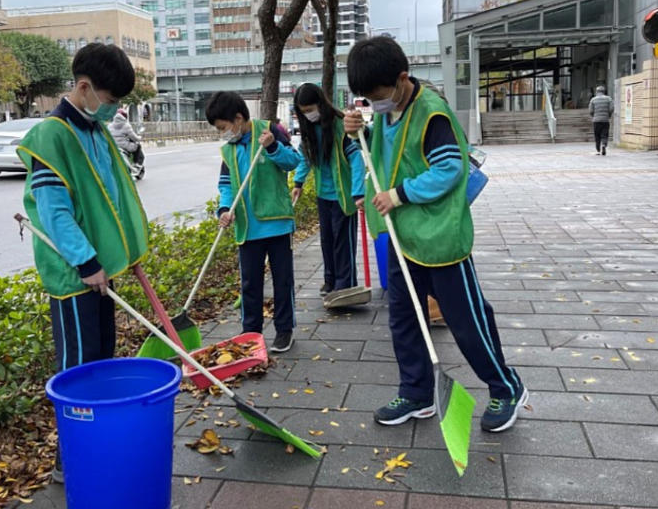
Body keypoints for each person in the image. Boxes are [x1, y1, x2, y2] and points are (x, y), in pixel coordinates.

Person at [342, 36, 526, 432]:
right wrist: (356, 133)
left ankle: (505, 387)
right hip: (403, 236)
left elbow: (449, 170)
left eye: (378, 95)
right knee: (404, 319)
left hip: (440, 238)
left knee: (467, 322)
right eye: (367, 99)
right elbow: (382, 158)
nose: (375, 103)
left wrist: (398, 195)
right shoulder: (387, 114)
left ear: (402, 79)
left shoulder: (431, 113)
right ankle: (416, 392)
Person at [16, 43, 149, 481]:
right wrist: (87, 262)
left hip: (101, 272)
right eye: (110, 101)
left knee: (103, 359)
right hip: (76, 276)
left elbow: (112, 199)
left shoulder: (96, 131)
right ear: (85, 87)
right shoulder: (50, 136)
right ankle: (70, 461)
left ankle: (98, 445)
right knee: (79, 368)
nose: (112, 110)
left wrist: (124, 252)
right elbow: (54, 214)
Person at [206, 91, 301, 353]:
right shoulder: (228, 149)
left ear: (238, 118)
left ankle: (284, 330)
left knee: (283, 280)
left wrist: (272, 147)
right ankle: (251, 332)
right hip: (247, 228)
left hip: (277, 222)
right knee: (249, 283)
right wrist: (224, 209)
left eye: (223, 127)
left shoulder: (270, 130)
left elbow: (294, 162)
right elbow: (225, 185)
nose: (223, 134)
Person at [291, 83, 365, 296]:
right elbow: (307, 158)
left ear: (320, 104)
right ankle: (330, 280)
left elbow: (357, 159)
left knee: (343, 241)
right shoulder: (308, 129)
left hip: (344, 195)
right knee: (327, 240)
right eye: (303, 112)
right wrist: (298, 183)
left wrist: (359, 192)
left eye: (310, 109)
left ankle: (346, 282)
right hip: (323, 195)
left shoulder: (340, 125)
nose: (308, 115)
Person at [588, 84, 614, 155]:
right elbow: (611, 108)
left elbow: (590, 111)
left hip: (596, 121)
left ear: (596, 92)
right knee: (604, 134)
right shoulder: (609, 99)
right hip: (605, 120)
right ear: (604, 91)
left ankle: (598, 150)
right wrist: (608, 115)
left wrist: (594, 116)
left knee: (597, 135)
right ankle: (604, 145)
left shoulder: (593, 99)